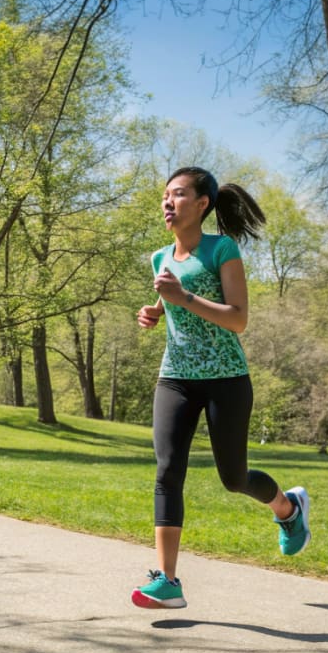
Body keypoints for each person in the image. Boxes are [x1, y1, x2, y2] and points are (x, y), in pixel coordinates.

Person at [132, 166, 310, 610]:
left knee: (233, 478)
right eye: (165, 196)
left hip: (225, 379)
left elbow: (238, 318)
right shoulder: (161, 257)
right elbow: (167, 297)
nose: (167, 203)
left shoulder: (222, 249)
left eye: (177, 195)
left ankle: (288, 510)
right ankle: (168, 581)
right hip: (175, 376)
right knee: (167, 470)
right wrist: (154, 313)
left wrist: (183, 299)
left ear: (203, 204)